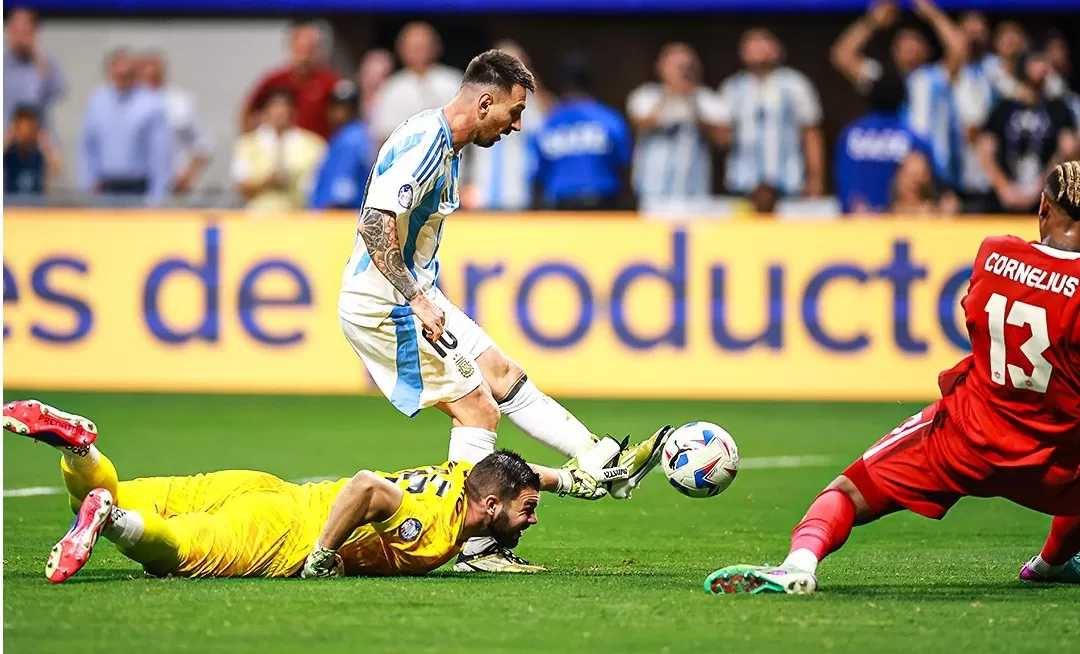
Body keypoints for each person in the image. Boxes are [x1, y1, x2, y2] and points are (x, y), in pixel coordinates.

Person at [339, 49, 666, 573]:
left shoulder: (446, 142)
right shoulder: (427, 143)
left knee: (502, 374)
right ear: (485, 101)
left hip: (414, 289)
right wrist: (416, 297)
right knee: (478, 410)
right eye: (514, 113)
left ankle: (598, 456)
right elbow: (375, 224)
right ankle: (474, 546)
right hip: (385, 301)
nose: (517, 126)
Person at [705, 161, 1080, 595]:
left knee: (847, 491)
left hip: (963, 437)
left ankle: (798, 564)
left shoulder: (996, 254)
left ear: (1042, 208)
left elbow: (976, 316)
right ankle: (1051, 563)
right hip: (1057, 455)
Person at [1, 400, 609, 584]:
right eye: (528, 510)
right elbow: (368, 488)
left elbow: (510, 470)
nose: (532, 520)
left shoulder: (465, 478)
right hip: (282, 532)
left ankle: (80, 451)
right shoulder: (436, 532)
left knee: (128, 488)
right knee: (177, 553)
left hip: (267, 488)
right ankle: (108, 523)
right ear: (493, 506)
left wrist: (568, 480)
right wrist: (321, 552)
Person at [831, 0, 967, 190]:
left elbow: (959, 50)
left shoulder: (934, 78)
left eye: (915, 42)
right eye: (903, 43)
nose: (909, 47)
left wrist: (932, 14)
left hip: (933, 177)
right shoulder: (882, 78)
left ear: (927, 50)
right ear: (894, 49)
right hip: (890, 174)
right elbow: (842, 55)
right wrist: (871, 22)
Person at [716, 28, 825, 210]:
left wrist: (815, 178)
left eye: (764, 43)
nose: (759, 49)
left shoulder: (796, 85)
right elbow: (721, 137)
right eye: (752, 44)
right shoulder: (731, 88)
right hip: (742, 184)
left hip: (789, 184)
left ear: (778, 49)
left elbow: (811, 133)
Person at [977, 51, 1078, 215]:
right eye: (1036, 61)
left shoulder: (1058, 109)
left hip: (1045, 202)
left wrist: (1041, 188)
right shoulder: (1003, 108)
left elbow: (1067, 150)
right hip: (1002, 201)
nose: (1042, 67)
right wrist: (1004, 187)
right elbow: (985, 151)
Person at [529, 53, 633, 210]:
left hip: (562, 203)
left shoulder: (550, 122)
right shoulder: (609, 118)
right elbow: (624, 162)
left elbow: (538, 171)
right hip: (602, 203)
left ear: (563, 85)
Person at [627, 42, 724, 201]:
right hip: (653, 190)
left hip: (694, 192)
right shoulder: (646, 95)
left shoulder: (707, 99)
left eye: (687, 66)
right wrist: (670, 94)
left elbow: (722, 139)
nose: (683, 71)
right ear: (660, 67)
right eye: (676, 66)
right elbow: (638, 124)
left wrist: (692, 103)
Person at [80, 48, 172, 206]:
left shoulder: (151, 103)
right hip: (105, 186)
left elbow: (160, 153)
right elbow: (88, 146)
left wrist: (157, 195)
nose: (123, 78)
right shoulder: (97, 102)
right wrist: (87, 183)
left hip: (138, 187)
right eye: (119, 74)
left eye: (128, 74)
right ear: (110, 73)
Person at [834, 74, 933, 214]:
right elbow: (935, 182)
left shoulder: (849, 135)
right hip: (891, 225)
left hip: (860, 221)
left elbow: (841, 180)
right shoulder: (914, 138)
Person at [232, 88, 326, 213]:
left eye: (284, 108)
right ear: (266, 112)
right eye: (275, 107)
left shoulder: (313, 144)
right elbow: (241, 187)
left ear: (293, 112)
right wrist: (266, 181)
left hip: (299, 216)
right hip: (258, 218)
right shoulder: (248, 144)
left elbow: (320, 186)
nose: (280, 113)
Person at [242, 22, 339, 140]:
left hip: (317, 151)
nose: (304, 56)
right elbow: (247, 111)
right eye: (300, 49)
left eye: (309, 50)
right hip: (280, 152)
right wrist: (251, 142)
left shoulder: (330, 82)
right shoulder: (275, 80)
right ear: (291, 48)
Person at [370, 22, 463, 144]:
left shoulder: (453, 82)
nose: (419, 52)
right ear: (401, 50)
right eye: (414, 47)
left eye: (423, 46)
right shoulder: (391, 88)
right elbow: (382, 134)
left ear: (436, 47)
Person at [137, 50, 215, 195]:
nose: (150, 81)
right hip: (135, 185)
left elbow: (204, 143)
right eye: (146, 76)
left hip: (174, 186)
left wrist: (189, 174)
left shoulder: (180, 103)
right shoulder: (126, 106)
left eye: (155, 75)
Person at [309, 81, 375, 210]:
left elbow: (343, 192)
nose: (339, 112)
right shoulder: (341, 135)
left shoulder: (353, 138)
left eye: (344, 107)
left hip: (341, 215)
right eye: (336, 107)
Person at [4, 104, 46, 197]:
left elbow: (57, 168)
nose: (25, 134)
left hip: (36, 207)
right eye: (21, 128)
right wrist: (8, 137)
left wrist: (44, 143)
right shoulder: (8, 153)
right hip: (9, 207)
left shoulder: (39, 155)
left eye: (30, 129)